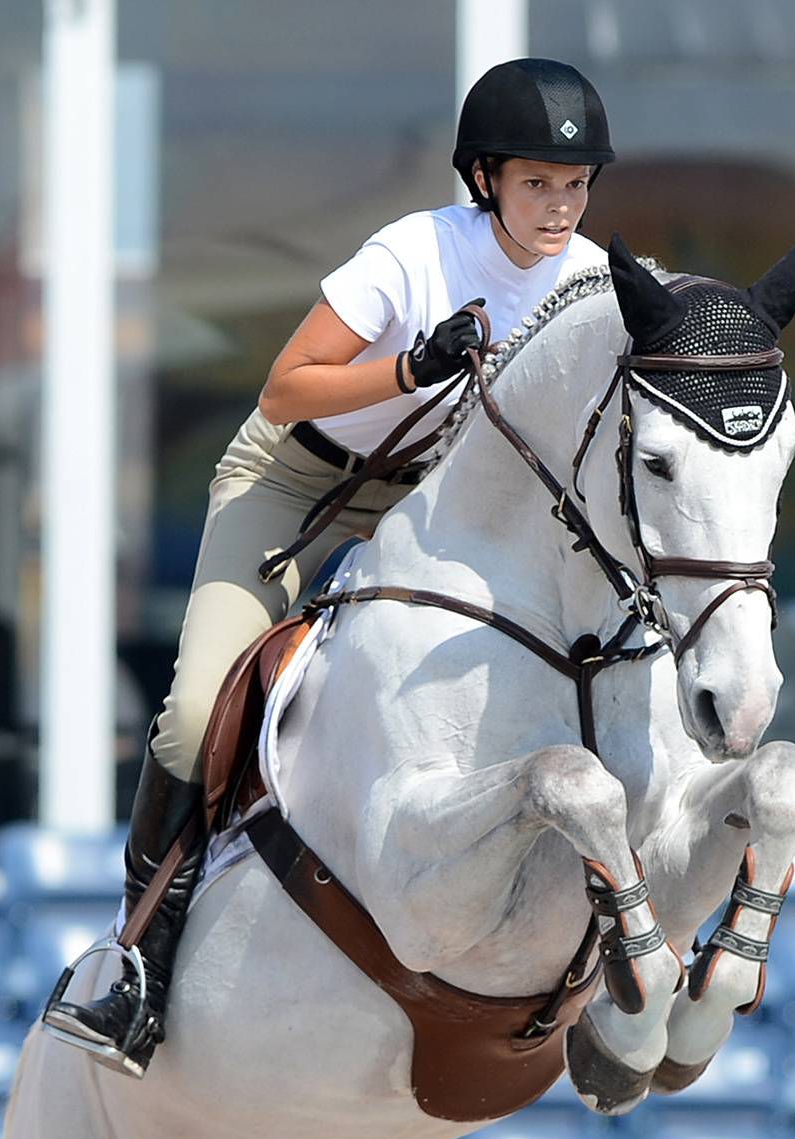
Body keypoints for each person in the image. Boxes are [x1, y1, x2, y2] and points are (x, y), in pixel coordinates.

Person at [43, 57, 616, 1077]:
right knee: (194, 708)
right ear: (486, 179)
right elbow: (285, 389)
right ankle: (139, 958)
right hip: (297, 483)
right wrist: (411, 367)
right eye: (538, 183)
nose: (560, 206)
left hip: (432, 505)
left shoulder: (592, 285)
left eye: (574, 186)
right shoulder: (414, 254)